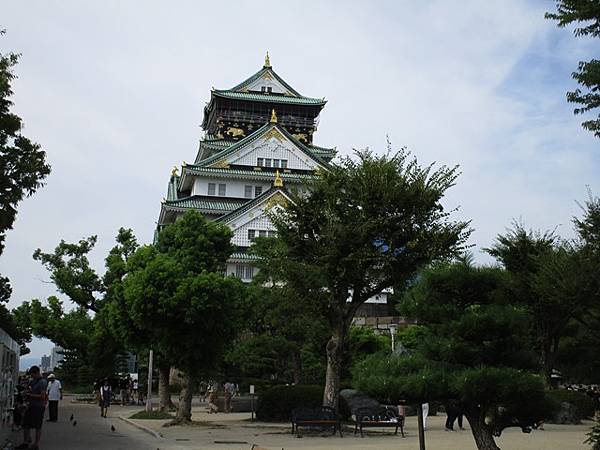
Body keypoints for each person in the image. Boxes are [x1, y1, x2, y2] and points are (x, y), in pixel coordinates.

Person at [15, 366, 47, 450]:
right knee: (26, 424)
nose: (31, 376)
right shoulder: (33, 381)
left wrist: (29, 395)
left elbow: (42, 396)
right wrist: (26, 392)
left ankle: (36, 444)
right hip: (31, 405)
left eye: (32, 374)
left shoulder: (42, 382)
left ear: (36, 373)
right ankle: (26, 441)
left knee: (37, 426)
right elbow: (29, 389)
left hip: (39, 407)